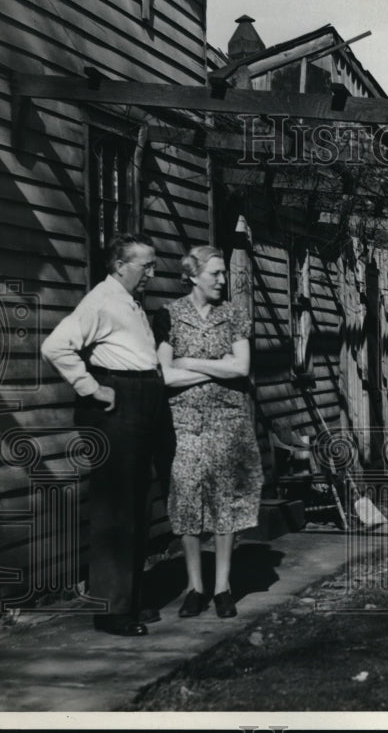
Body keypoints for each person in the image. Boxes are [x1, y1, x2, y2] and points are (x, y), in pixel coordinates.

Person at [40, 233, 164, 637]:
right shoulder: (101, 301)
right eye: (145, 265)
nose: (152, 272)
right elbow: (55, 347)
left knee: (138, 503)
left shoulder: (129, 301)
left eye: (153, 264)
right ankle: (112, 611)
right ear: (119, 266)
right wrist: (91, 387)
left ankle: (130, 600)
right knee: (116, 508)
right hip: (118, 404)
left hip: (142, 398)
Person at [153, 245, 263, 619]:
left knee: (224, 502)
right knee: (187, 501)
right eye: (215, 273)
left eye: (223, 273)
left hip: (227, 423)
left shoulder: (234, 315)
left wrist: (190, 362)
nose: (222, 279)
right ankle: (194, 587)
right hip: (183, 424)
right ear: (193, 276)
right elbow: (165, 376)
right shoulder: (169, 315)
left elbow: (241, 368)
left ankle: (222, 587)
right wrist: (217, 366)